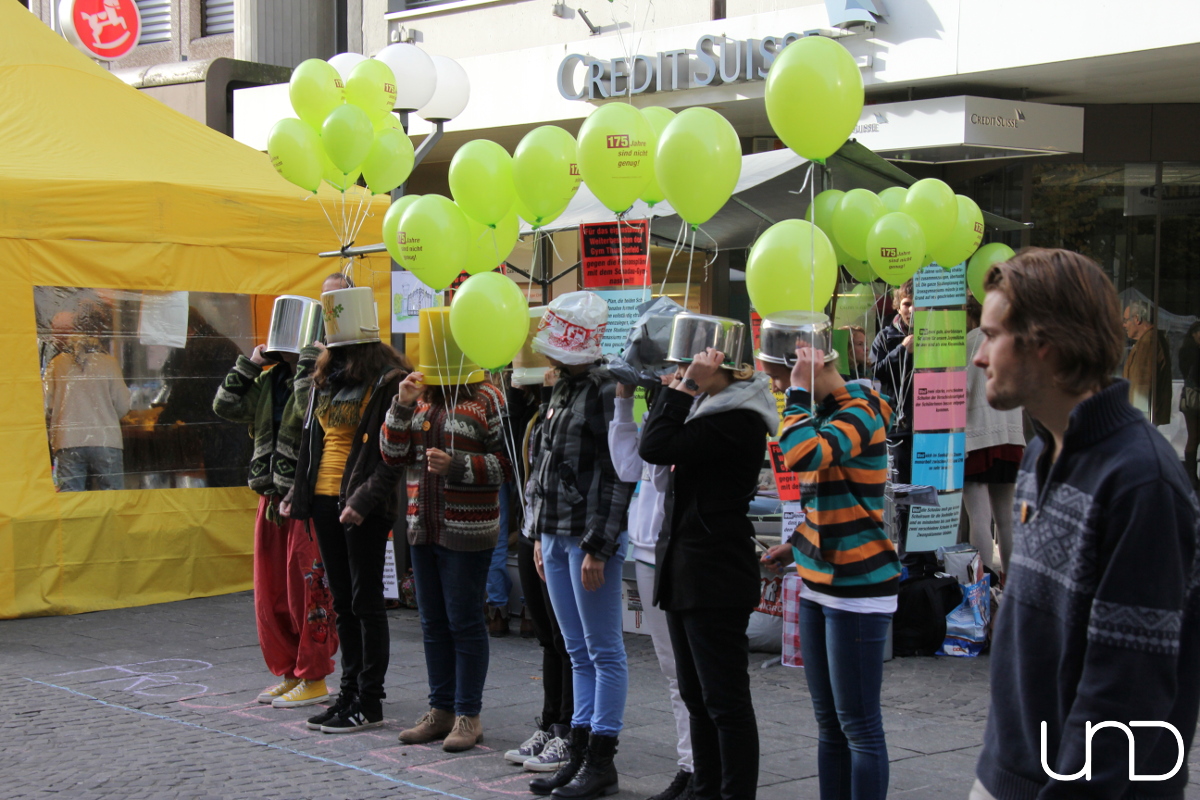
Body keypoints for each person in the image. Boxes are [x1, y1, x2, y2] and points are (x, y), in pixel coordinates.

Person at [970, 248, 1200, 800]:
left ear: (1043, 344)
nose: (980, 357)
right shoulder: (1037, 457)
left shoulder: (1142, 483)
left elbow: (1126, 695)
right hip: (1007, 774)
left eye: (993, 335)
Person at [760, 341, 900, 800]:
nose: (778, 387)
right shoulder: (831, 413)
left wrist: (797, 393)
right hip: (821, 581)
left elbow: (802, 456)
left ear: (805, 364)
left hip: (857, 586)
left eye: (780, 377)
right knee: (830, 725)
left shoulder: (861, 413)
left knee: (858, 726)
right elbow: (829, 501)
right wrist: (795, 547)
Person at [639, 345, 779, 800]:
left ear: (724, 369)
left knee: (725, 702)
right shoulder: (707, 410)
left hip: (714, 573)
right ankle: (705, 790)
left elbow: (655, 446)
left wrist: (685, 389)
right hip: (687, 568)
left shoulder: (737, 420)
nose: (681, 373)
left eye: (691, 366)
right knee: (697, 698)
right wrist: (683, 391)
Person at [381, 308, 511, 753]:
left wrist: (458, 466)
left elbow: (508, 467)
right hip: (422, 527)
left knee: (464, 622)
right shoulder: (419, 397)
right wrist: (400, 404)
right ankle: (440, 710)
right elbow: (391, 454)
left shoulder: (488, 399)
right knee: (432, 623)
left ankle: (468, 715)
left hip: (468, 531)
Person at [281, 285, 409, 734]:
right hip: (322, 498)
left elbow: (389, 455)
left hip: (360, 502)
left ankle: (368, 699)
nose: (331, 352)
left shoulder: (388, 381)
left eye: (340, 346)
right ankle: (349, 692)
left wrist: (361, 502)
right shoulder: (329, 378)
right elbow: (310, 441)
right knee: (342, 601)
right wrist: (298, 492)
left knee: (364, 599)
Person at [525, 291, 636, 799]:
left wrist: (598, 544)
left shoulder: (600, 389)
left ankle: (599, 759)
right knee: (578, 650)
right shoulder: (566, 388)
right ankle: (582, 753)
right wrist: (538, 534)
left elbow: (618, 475)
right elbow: (547, 464)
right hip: (557, 535)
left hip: (582, 539)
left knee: (601, 650)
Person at [212, 293, 337, 711]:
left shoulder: (322, 378)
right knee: (272, 596)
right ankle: (288, 672)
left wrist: (308, 364)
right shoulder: (267, 381)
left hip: (302, 501)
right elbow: (225, 405)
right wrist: (248, 365)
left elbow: (308, 411)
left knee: (307, 593)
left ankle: (314, 676)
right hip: (270, 498)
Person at [608, 376, 695, 800]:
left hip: (671, 550)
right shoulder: (659, 417)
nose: (664, 381)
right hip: (645, 551)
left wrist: (673, 401)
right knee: (670, 668)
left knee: (687, 669)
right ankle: (689, 764)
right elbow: (628, 466)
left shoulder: (685, 418)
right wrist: (624, 404)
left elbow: (659, 470)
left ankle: (698, 767)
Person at [504, 366, 577, 774]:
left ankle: (568, 727)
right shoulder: (534, 412)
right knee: (548, 639)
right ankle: (550, 722)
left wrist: (550, 394)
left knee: (568, 641)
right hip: (533, 529)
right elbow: (516, 446)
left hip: (558, 531)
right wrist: (519, 392)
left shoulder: (570, 403)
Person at [963, 297, 1024, 577]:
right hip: (1010, 436)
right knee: (1007, 520)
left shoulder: (969, 344)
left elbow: (958, 390)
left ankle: (982, 587)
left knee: (979, 517)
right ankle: (1011, 584)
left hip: (976, 438)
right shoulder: (1010, 343)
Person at [159, 307, 251, 487]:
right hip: (237, 427)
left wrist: (165, 418)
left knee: (222, 485)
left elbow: (184, 386)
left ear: (186, 328)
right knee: (235, 484)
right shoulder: (218, 341)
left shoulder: (201, 346)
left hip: (221, 431)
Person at [43, 306, 131, 491]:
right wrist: (105, 415)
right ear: (98, 331)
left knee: (72, 499)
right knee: (112, 498)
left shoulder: (57, 363)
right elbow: (123, 404)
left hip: (68, 440)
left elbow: (46, 404)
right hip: (106, 439)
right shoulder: (109, 363)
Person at [869, 281, 918, 566]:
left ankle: (926, 555)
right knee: (903, 494)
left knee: (929, 493)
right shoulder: (886, 336)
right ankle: (907, 558)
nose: (912, 309)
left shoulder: (934, 335)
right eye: (907, 303)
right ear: (898, 306)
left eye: (916, 304)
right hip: (900, 427)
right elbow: (876, 371)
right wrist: (902, 349)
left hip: (930, 425)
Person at [1122, 298, 1173, 426]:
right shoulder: (1149, 340)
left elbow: (1142, 385)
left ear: (1137, 319)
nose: (1124, 325)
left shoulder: (1148, 342)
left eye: (1126, 320)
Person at [1180, 321, 1200, 490]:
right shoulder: (1192, 351)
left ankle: (1192, 476)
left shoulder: (1186, 350)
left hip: (1190, 397)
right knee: (1193, 436)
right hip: (1194, 397)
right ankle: (1191, 476)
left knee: (1193, 436)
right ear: (1194, 333)